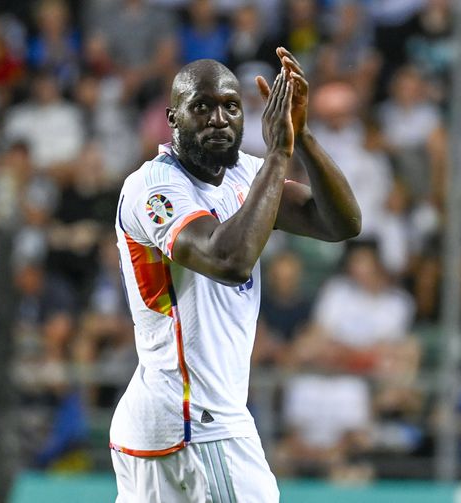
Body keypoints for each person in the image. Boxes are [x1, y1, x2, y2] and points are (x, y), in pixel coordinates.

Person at [110, 47, 361, 502]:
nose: (219, 119)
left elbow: (341, 223)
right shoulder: (154, 188)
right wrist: (279, 154)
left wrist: (302, 136)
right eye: (202, 107)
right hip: (196, 422)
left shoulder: (246, 173)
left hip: (181, 423)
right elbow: (229, 260)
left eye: (230, 106)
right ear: (172, 118)